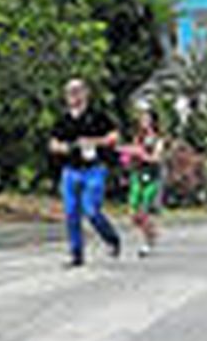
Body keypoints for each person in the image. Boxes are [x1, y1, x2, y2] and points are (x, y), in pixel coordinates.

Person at [48, 79, 122, 267]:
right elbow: (53, 143)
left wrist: (94, 142)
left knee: (91, 209)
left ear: (86, 93)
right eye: (70, 92)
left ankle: (111, 238)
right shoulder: (63, 120)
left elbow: (114, 136)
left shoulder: (97, 116)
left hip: (94, 169)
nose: (74, 95)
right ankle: (76, 254)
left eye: (77, 91)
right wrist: (65, 147)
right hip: (71, 171)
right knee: (71, 213)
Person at [125, 109, 164, 257]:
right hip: (137, 175)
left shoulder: (158, 139)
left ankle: (146, 243)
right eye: (142, 119)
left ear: (153, 121)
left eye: (147, 119)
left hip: (152, 178)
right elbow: (132, 153)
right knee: (133, 214)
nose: (144, 122)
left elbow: (157, 159)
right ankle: (152, 232)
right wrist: (127, 156)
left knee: (144, 212)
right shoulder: (138, 138)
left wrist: (143, 155)